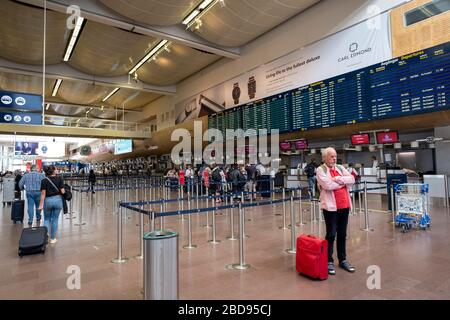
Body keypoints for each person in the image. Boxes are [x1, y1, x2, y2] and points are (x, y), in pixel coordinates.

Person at [316, 147, 356, 275]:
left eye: (335, 156)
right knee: (331, 234)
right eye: (331, 156)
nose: (334, 158)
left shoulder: (339, 167)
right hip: (330, 208)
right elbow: (327, 185)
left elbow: (352, 180)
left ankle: (342, 259)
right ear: (325, 158)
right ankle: (329, 261)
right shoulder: (320, 170)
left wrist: (338, 180)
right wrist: (343, 182)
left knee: (342, 234)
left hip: (344, 205)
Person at [38, 165, 65, 244]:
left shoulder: (44, 180)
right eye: (56, 169)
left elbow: (43, 194)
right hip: (58, 200)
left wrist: (41, 205)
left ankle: (46, 237)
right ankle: (53, 239)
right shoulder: (60, 179)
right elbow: (63, 191)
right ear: (53, 171)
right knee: (55, 219)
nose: (57, 170)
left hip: (48, 201)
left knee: (46, 219)